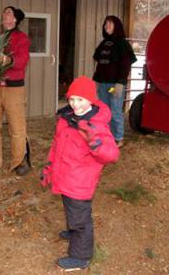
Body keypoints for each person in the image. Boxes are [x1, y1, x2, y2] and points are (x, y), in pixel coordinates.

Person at [41, 76, 119, 271]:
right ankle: (73, 232)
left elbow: (111, 154)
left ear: (91, 100)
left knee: (80, 219)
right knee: (71, 209)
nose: (75, 104)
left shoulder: (96, 124)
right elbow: (56, 145)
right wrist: (49, 168)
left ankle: (80, 257)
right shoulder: (68, 118)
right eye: (71, 99)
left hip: (80, 181)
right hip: (65, 176)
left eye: (80, 100)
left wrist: (95, 141)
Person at [0, 6, 31, 175]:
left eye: (8, 12)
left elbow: (22, 60)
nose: (5, 14)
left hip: (13, 89)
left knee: (17, 128)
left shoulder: (21, 37)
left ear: (15, 19)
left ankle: (18, 162)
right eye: (4, 12)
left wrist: (8, 59)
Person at [92, 15, 137, 147]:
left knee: (115, 110)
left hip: (114, 85)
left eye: (110, 23)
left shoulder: (122, 44)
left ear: (116, 26)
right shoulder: (103, 44)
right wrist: (95, 81)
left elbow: (126, 65)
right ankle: (106, 136)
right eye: (106, 24)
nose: (107, 26)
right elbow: (99, 65)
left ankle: (118, 138)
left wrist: (120, 82)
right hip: (103, 85)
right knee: (103, 111)